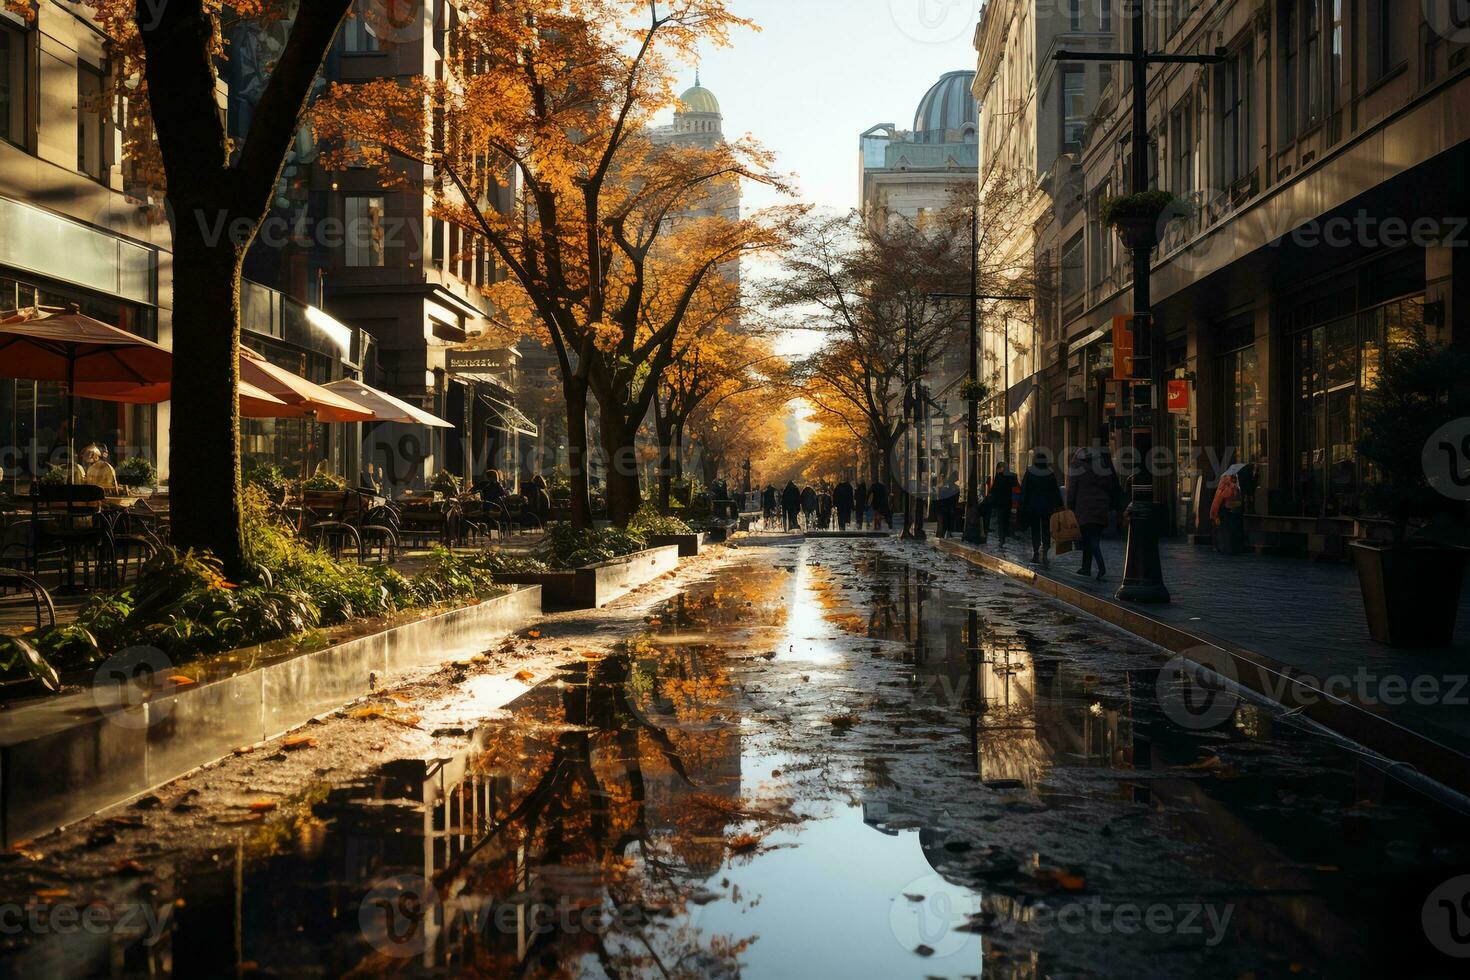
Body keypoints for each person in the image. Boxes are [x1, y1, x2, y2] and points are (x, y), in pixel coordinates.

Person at [1066, 429, 1123, 580]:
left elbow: (1072, 489)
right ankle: (1085, 568)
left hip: (1084, 509)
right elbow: (1110, 486)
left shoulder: (1076, 466)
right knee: (1092, 538)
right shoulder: (1101, 468)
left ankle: (1100, 567)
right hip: (1100, 509)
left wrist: (1069, 507)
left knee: (1089, 540)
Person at [1019, 451, 1064, 564]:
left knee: (1035, 530)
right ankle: (1045, 554)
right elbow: (1055, 490)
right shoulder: (1049, 473)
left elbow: (1024, 490)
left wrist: (1022, 504)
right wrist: (1059, 505)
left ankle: (1035, 553)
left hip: (1033, 506)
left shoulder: (1030, 472)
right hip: (1046, 507)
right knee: (1046, 530)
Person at [984, 462, 1020, 547]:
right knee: (1007, 519)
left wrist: (990, 496)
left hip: (1001, 503)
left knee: (1001, 520)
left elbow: (994, 489)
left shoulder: (999, 477)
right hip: (1009, 502)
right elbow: (1017, 489)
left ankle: (1002, 538)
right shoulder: (1012, 476)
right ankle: (1007, 534)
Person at [934, 473, 961, 538]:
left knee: (948, 522)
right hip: (944, 507)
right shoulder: (945, 487)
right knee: (944, 522)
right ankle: (943, 534)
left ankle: (946, 533)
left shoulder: (955, 488)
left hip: (948, 507)